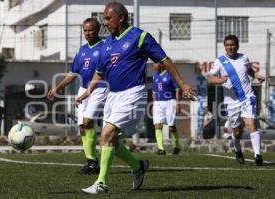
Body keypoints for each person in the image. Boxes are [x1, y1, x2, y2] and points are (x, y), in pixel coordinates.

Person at [76, 2, 197, 194]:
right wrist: (86, 93)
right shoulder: (107, 44)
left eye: (108, 18)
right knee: (111, 141)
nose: (105, 23)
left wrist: (182, 84)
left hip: (133, 93)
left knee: (106, 135)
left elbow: (164, 60)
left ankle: (101, 184)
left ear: (121, 17)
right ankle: (138, 166)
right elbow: (99, 73)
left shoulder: (139, 37)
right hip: (113, 96)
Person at [47, 18, 107, 174]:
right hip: (83, 89)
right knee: (81, 125)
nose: (87, 33)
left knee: (88, 122)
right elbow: (73, 74)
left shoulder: (105, 47)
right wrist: (57, 88)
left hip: (100, 88)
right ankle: (91, 161)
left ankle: (93, 162)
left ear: (98, 30)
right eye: (85, 30)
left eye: (90, 30)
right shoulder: (82, 50)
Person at [207, 34, 265, 166]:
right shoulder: (219, 61)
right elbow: (209, 79)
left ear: (237, 46)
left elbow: (248, 70)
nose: (230, 47)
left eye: (232, 45)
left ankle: (258, 156)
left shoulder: (244, 57)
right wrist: (220, 80)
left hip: (247, 97)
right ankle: (238, 151)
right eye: (227, 45)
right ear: (225, 47)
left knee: (251, 124)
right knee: (237, 132)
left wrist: (256, 75)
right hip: (231, 102)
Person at [152, 62, 181, 155]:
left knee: (171, 127)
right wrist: (153, 104)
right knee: (157, 125)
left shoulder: (170, 75)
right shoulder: (155, 76)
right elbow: (153, 91)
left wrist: (178, 103)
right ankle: (161, 149)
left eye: (155, 64)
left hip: (170, 102)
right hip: (158, 103)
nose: (153, 66)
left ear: (161, 65)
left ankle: (176, 146)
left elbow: (177, 89)